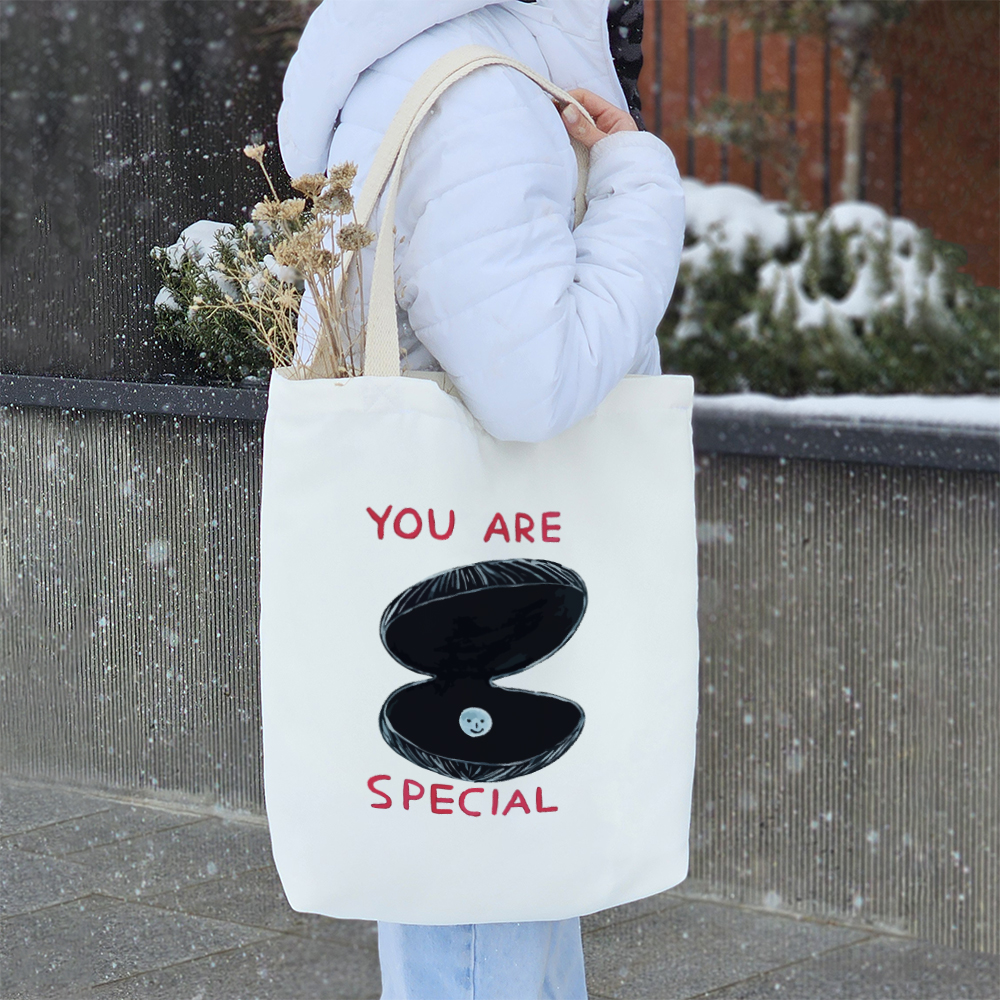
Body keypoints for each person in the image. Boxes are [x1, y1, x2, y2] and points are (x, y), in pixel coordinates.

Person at [278, 1, 685, 996]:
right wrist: (637, 185)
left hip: (456, 573)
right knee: (482, 905)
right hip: (482, 586)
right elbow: (532, 385)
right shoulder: (479, 94)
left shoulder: (435, 60)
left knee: (489, 887)